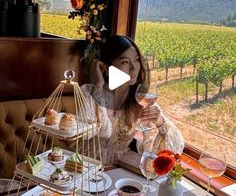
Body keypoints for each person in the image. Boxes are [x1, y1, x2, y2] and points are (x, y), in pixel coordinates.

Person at [78, 35, 184, 165]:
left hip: (117, 171)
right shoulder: (88, 93)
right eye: (125, 62)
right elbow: (98, 131)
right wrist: (98, 86)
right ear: (106, 68)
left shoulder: (141, 100)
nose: (134, 68)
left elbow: (173, 150)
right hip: (83, 167)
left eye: (137, 60)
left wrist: (160, 122)